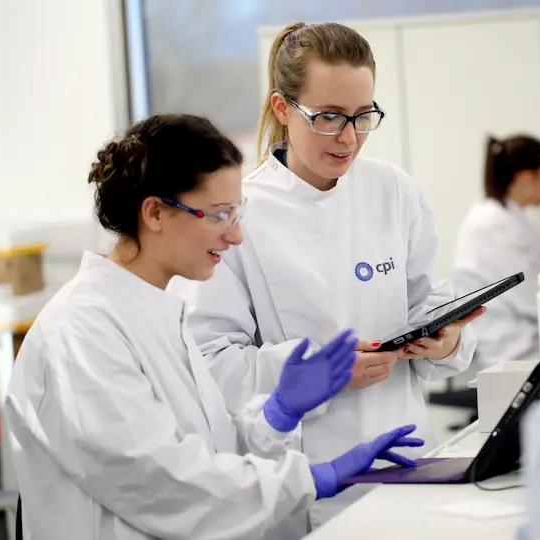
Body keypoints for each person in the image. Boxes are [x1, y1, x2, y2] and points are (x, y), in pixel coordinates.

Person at [5, 114, 424, 540]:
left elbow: (209, 452)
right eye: (221, 214)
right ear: (155, 212)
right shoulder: (81, 331)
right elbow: (161, 485)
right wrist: (311, 480)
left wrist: (277, 414)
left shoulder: (157, 313)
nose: (236, 236)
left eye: (238, 213)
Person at [167, 22, 483, 529]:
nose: (349, 137)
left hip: (411, 464)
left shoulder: (394, 191)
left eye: (363, 116)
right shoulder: (240, 212)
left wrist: (442, 340)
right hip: (307, 482)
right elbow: (210, 364)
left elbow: (429, 303)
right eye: (329, 116)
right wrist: (322, 373)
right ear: (282, 108)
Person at [452, 134, 540, 370]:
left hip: (527, 344)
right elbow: (537, 298)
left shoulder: (510, 218)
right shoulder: (492, 224)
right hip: (514, 352)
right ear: (526, 177)